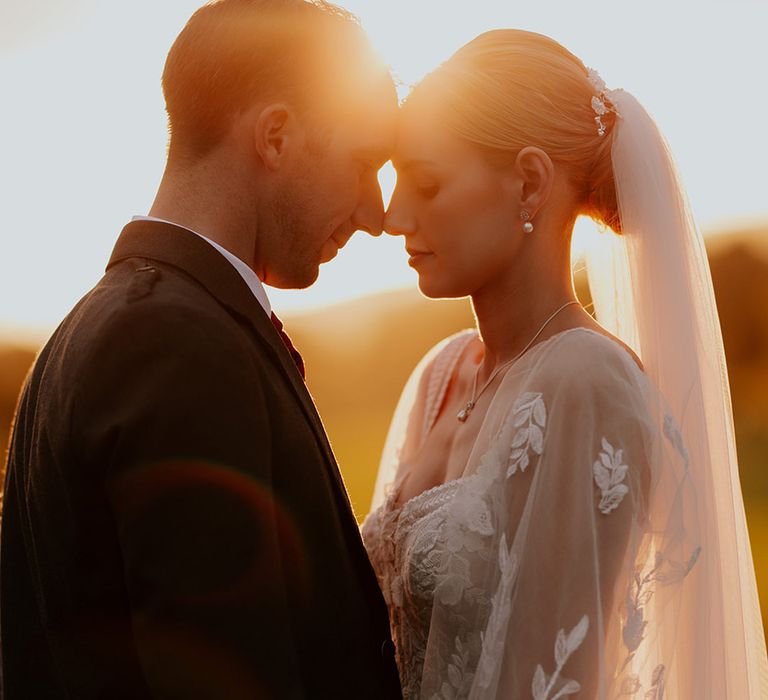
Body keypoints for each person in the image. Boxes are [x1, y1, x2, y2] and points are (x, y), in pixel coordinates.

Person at [0, 1, 401, 698]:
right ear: (275, 137)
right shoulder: (175, 345)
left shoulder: (90, 333)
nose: (375, 214)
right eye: (364, 163)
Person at [362, 29, 768, 699]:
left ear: (529, 181)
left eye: (426, 183)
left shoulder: (587, 381)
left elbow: (556, 678)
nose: (393, 215)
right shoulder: (442, 374)